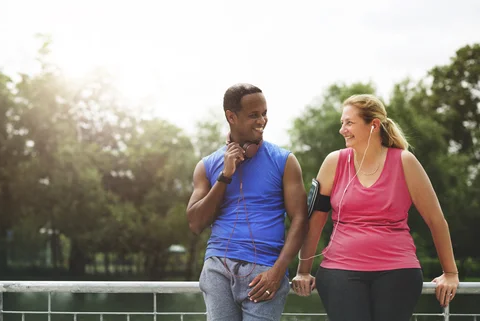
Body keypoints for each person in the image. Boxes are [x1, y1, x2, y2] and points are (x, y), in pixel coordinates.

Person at [291, 94, 460, 321]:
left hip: (398, 271)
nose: (343, 129)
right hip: (340, 270)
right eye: (342, 123)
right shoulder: (334, 162)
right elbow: (315, 222)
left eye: (349, 123)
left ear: (374, 125)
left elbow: (436, 220)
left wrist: (450, 273)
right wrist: (303, 271)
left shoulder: (405, 162)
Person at [186, 83, 309, 321]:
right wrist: (225, 176)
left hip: (265, 271)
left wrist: (278, 272)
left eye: (264, 113)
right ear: (231, 117)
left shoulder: (285, 161)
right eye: (254, 115)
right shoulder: (207, 166)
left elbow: (300, 219)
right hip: (218, 268)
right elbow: (196, 223)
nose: (261, 120)